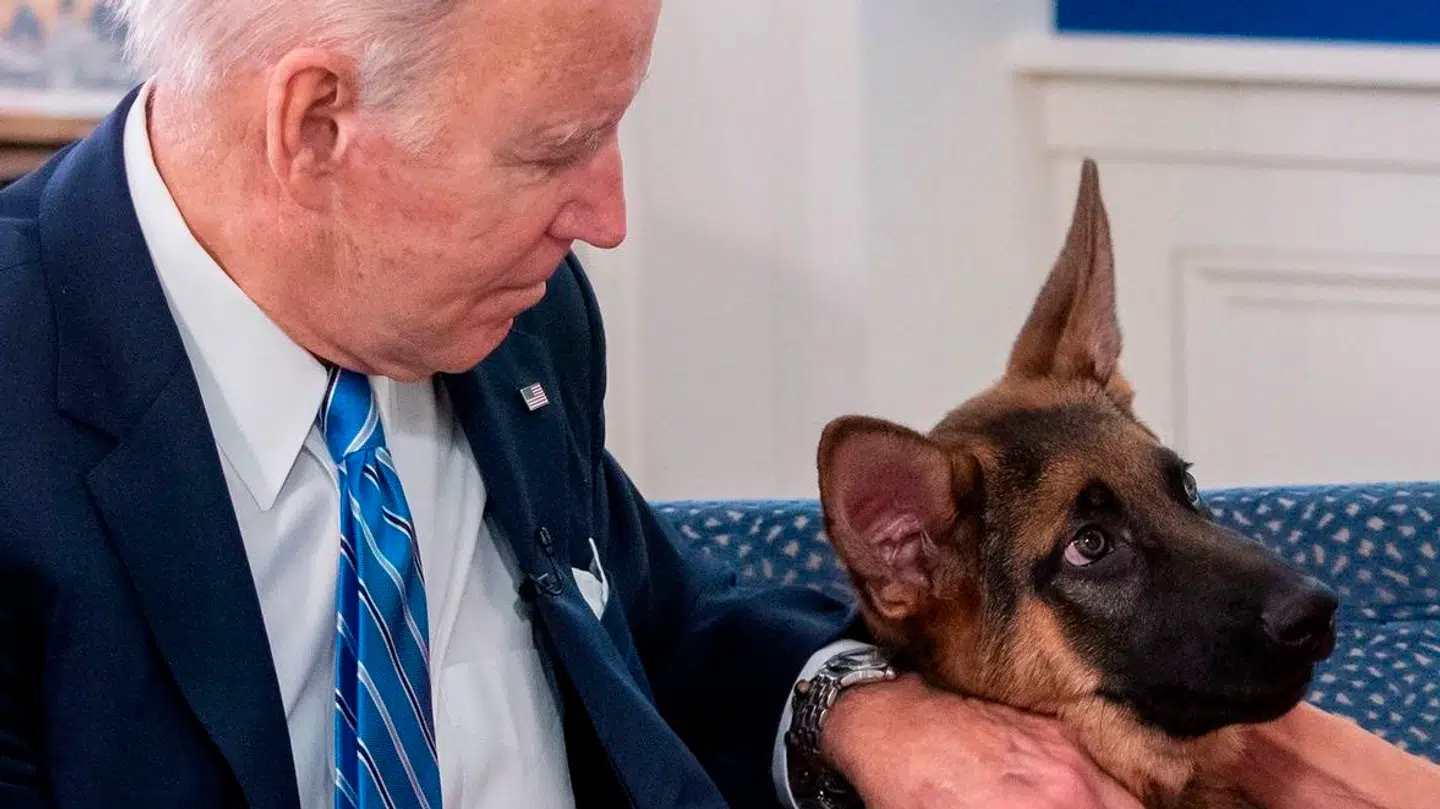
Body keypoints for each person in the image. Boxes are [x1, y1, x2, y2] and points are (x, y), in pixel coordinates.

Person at [0, 0, 1434, 808]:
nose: (606, 217)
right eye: (553, 148)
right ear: (315, 124)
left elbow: (660, 620)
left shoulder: (506, 314)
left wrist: (860, 712)